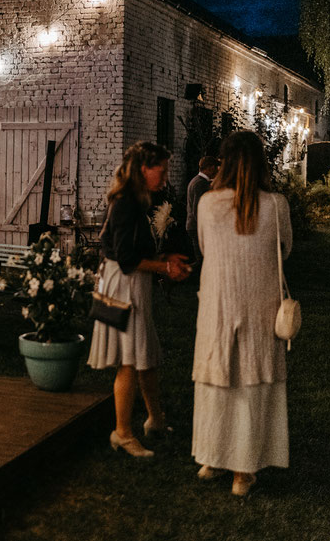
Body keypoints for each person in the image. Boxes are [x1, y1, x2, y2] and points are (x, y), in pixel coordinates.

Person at [192, 131, 291, 496]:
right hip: (260, 305)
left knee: (218, 384)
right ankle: (242, 472)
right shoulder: (276, 205)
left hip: (219, 303)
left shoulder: (207, 204)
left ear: (224, 161)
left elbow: (204, 247)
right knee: (252, 385)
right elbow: (286, 248)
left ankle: (214, 458)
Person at [88, 141, 191, 458]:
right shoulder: (125, 203)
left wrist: (166, 256)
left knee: (146, 353)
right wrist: (166, 267)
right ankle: (122, 432)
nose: (166, 175)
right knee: (131, 359)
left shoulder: (143, 199)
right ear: (144, 168)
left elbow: (141, 249)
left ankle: (156, 419)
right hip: (123, 285)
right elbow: (128, 258)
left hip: (136, 284)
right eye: (162, 168)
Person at [186, 156, 220, 266]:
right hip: (197, 227)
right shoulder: (201, 184)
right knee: (202, 262)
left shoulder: (196, 181)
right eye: (216, 167)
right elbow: (198, 210)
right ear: (209, 168)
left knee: (203, 261)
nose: (217, 171)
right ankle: (175, 276)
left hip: (194, 226)